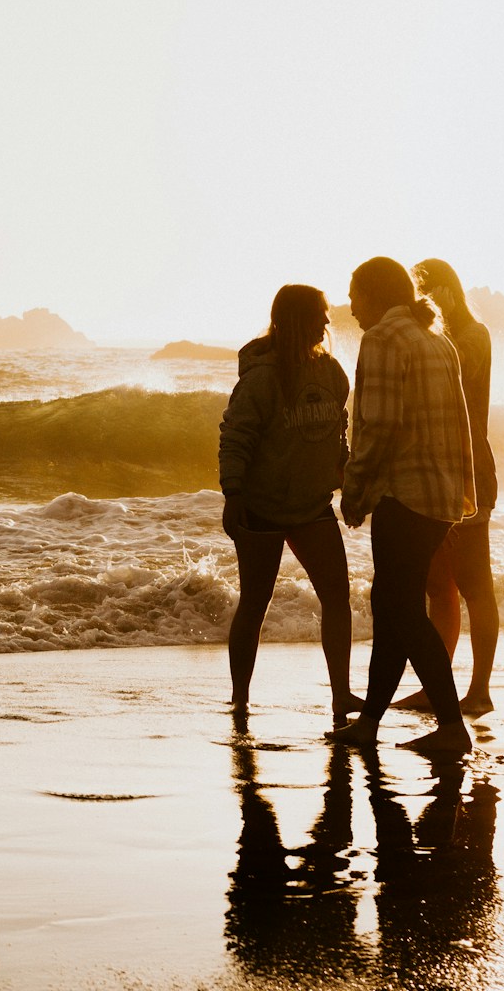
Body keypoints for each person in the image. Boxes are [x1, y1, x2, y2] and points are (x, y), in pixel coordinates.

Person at [327, 257, 476, 754]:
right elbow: (461, 425)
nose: (351, 307)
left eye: (355, 294)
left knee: (399, 608)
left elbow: (381, 424)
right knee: (393, 604)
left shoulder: (384, 339)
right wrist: (463, 490)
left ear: (375, 293)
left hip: (404, 494)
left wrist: (355, 490)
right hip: (438, 496)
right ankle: (370, 720)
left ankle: (453, 728)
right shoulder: (437, 339)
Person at [217, 284, 360, 719]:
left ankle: (341, 694)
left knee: (338, 597)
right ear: (296, 319)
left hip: (313, 506)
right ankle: (240, 698)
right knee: (255, 602)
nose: (326, 322)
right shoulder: (261, 378)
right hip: (260, 506)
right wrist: (233, 494)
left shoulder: (332, 372)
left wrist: (346, 475)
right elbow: (235, 436)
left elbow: (340, 429)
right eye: (319, 314)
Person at [398, 258, 500, 717]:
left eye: (426, 292)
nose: (419, 303)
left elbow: (451, 377)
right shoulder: (431, 337)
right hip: (433, 472)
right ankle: (436, 686)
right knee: (439, 586)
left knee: (475, 585)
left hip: (470, 473)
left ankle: (479, 690)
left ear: (446, 291)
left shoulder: (471, 337)